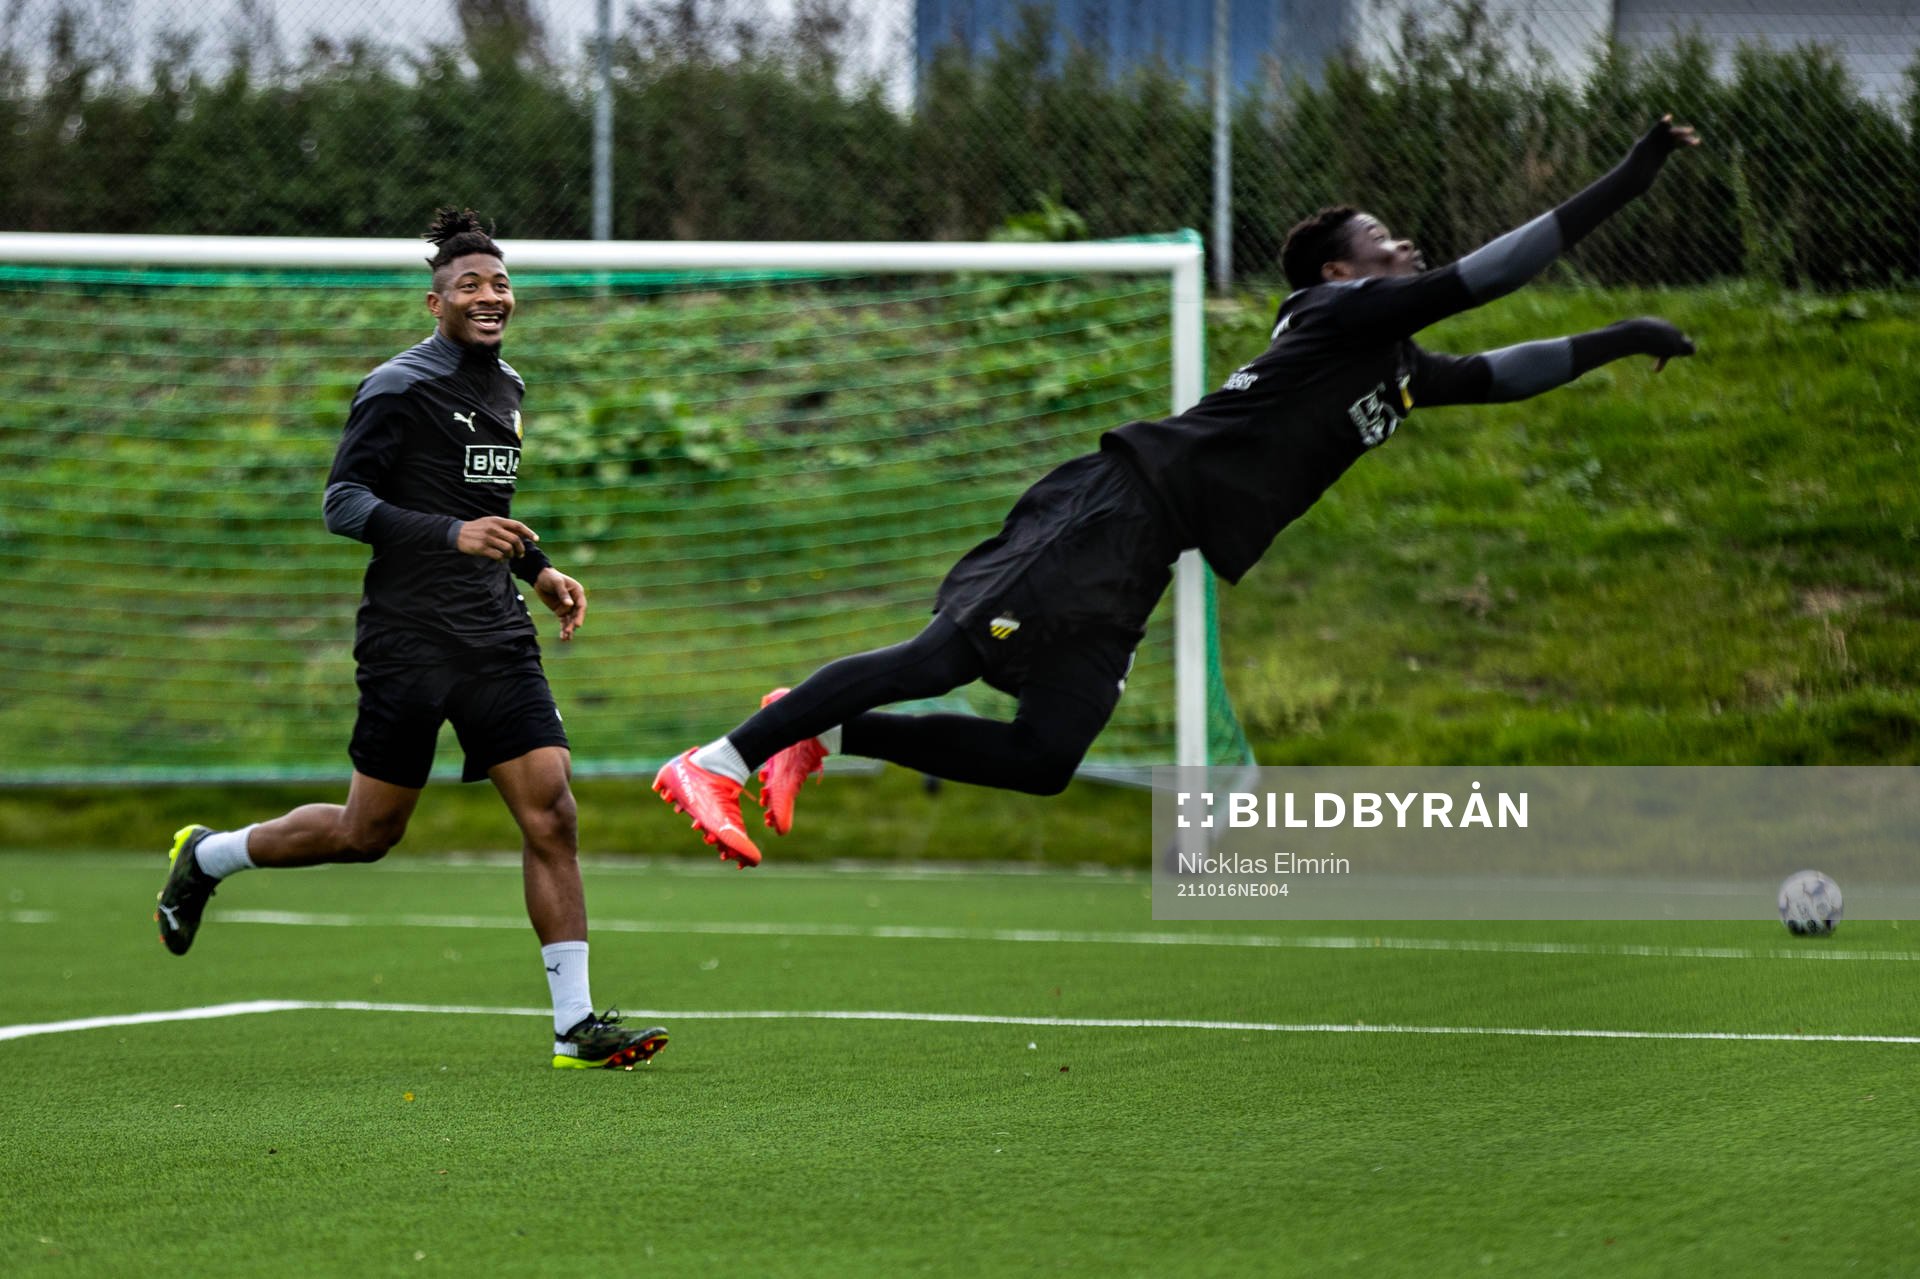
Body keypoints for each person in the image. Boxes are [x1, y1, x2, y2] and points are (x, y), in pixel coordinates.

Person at [655, 116, 1703, 869]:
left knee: (1043, 754)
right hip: (1111, 506)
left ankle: (819, 729)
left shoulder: (1392, 368)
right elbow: (1493, 276)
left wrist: (1626, 337)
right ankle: (713, 761)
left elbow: (1500, 370)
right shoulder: (1336, 320)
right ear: (1341, 275)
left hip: (1147, 553)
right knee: (939, 658)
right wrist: (1635, 171)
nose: (1406, 252)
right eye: (1385, 243)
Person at [154, 208, 667, 1071]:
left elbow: (487, 516)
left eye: (500, 282)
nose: (490, 294)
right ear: (435, 303)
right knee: (368, 832)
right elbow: (342, 503)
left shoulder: (509, 387)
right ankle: (208, 855)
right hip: (406, 640)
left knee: (552, 807)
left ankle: (574, 1026)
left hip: (494, 636)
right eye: (470, 284)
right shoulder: (397, 385)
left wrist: (537, 569)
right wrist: (449, 537)